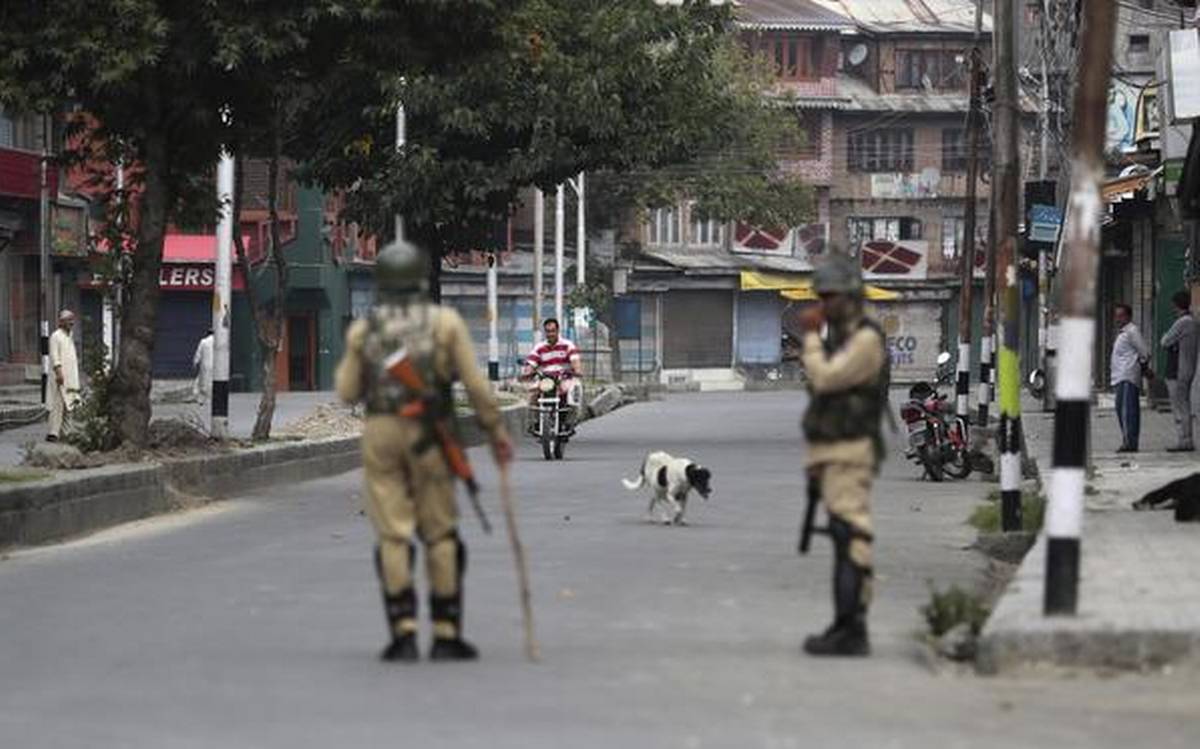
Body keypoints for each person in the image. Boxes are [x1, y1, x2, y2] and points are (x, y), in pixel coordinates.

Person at [335, 239, 512, 663]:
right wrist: (495, 432)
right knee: (439, 533)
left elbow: (346, 391)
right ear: (419, 279)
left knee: (393, 534)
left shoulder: (366, 329)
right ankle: (447, 634)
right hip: (430, 432)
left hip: (381, 431)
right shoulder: (444, 323)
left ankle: (403, 634)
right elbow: (476, 385)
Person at [797, 251, 887, 657]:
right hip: (832, 452)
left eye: (831, 297)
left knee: (850, 538)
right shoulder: (844, 337)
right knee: (841, 537)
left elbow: (826, 379)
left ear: (850, 296)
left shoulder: (866, 339)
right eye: (822, 296)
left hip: (850, 452)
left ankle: (852, 629)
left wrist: (811, 340)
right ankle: (843, 624)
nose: (824, 304)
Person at [521, 318, 582, 425]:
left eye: (553, 331)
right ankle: (535, 421)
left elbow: (575, 361)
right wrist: (527, 372)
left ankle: (570, 421)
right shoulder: (539, 347)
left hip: (564, 378)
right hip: (546, 379)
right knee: (532, 394)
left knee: (572, 395)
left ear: (558, 331)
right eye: (548, 331)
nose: (550, 334)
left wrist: (577, 370)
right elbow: (531, 363)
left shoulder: (568, 345)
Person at [1111, 303, 1151, 453]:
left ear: (1128, 316)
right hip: (1120, 377)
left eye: (1121, 315)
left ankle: (1130, 443)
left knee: (1128, 411)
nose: (1118, 319)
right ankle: (1127, 440)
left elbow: (1144, 352)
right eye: (1116, 315)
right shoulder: (1123, 332)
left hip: (1128, 376)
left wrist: (1144, 368)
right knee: (1121, 409)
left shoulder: (1132, 331)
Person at [1160, 291, 1197, 452]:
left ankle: (1184, 440)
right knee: (1185, 405)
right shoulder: (1193, 321)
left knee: (1179, 407)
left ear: (1175, 304)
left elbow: (1164, 341)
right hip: (1188, 368)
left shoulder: (1182, 322)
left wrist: (1166, 339)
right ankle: (1186, 439)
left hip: (1177, 370)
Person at [47, 310, 81, 443]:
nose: (71, 322)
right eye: (68, 320)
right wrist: (59, 372)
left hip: (71, 378)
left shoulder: (69, 336)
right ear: (61, 322)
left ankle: (67, 432)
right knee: (58, 406)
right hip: (60, 377)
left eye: (72, 320)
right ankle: (53, 433)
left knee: (70, 405)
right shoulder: (56, 336)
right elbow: (55, 357)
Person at [192, 329, 214, 405]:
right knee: (212, 381)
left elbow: (198, 353)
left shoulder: (203, 341)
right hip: (216, 365)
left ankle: (202, 399)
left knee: (203, 382)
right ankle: (211, 398)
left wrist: (195, 362)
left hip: (205, 365)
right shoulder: (218, 341)